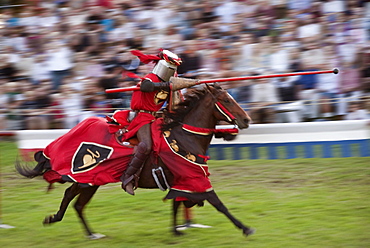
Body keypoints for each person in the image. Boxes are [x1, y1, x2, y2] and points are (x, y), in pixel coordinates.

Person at [113, 49, 198, 195]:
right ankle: (127, 178)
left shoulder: (172, 81)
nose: (172, 71)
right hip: (142, 117)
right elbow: (146, 87)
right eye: (170, 67)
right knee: (146, 146)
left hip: (158, 117)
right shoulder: (151, 77)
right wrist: (167, 86)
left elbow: (177, 104)